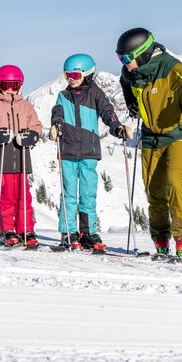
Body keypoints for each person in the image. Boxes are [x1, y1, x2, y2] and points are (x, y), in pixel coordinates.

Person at [116, 28, 182, 259]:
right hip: (151, 135)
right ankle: (160, 237)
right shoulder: (130, 73)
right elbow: (126, 85)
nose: (124, 63)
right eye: (120, 58)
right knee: (153, 188)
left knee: (175, 180)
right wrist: (132, 105)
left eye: (127, 58)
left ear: (143, 53)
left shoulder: (170, 66)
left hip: (180, 132)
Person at [49, 54, 132, 251]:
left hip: (89, 151)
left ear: (87, 74)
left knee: (88, 194)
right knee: (68, 194)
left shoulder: (95, 93)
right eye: (67, 74)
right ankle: (68, 232)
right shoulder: (63, 95)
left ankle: (88, 232)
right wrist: (56, 125)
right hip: (68, 150)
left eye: (75, 74)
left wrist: (117, 127)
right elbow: (57, 112)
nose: (71, 78)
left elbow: (107, 113)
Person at [0, 64, 43, 247]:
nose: (9, 90)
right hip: (2, 155)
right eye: (5, 85)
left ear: (20, 85)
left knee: (24, 195)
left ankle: (26, 229)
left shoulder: (26, 106)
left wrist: (32, 135)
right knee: (7, 195)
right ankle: (6, 229)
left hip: (22, 154)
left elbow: (36, 125)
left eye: (14, 85)